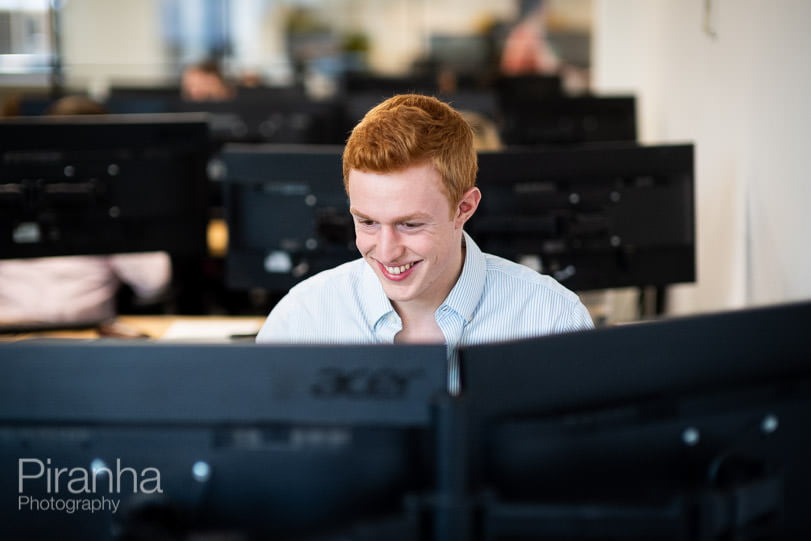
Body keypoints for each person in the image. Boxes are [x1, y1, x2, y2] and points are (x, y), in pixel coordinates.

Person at [256, 94, 592, 356]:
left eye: (410, 225)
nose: (387, 251)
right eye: (368, 222)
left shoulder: (551, 319)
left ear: (464, 208)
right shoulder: (302, 319)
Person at [0, 95, 172, 327]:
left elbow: (154, 283)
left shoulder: (112, 203)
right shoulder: (12, 193)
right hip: (11, 336)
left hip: (88, 336)